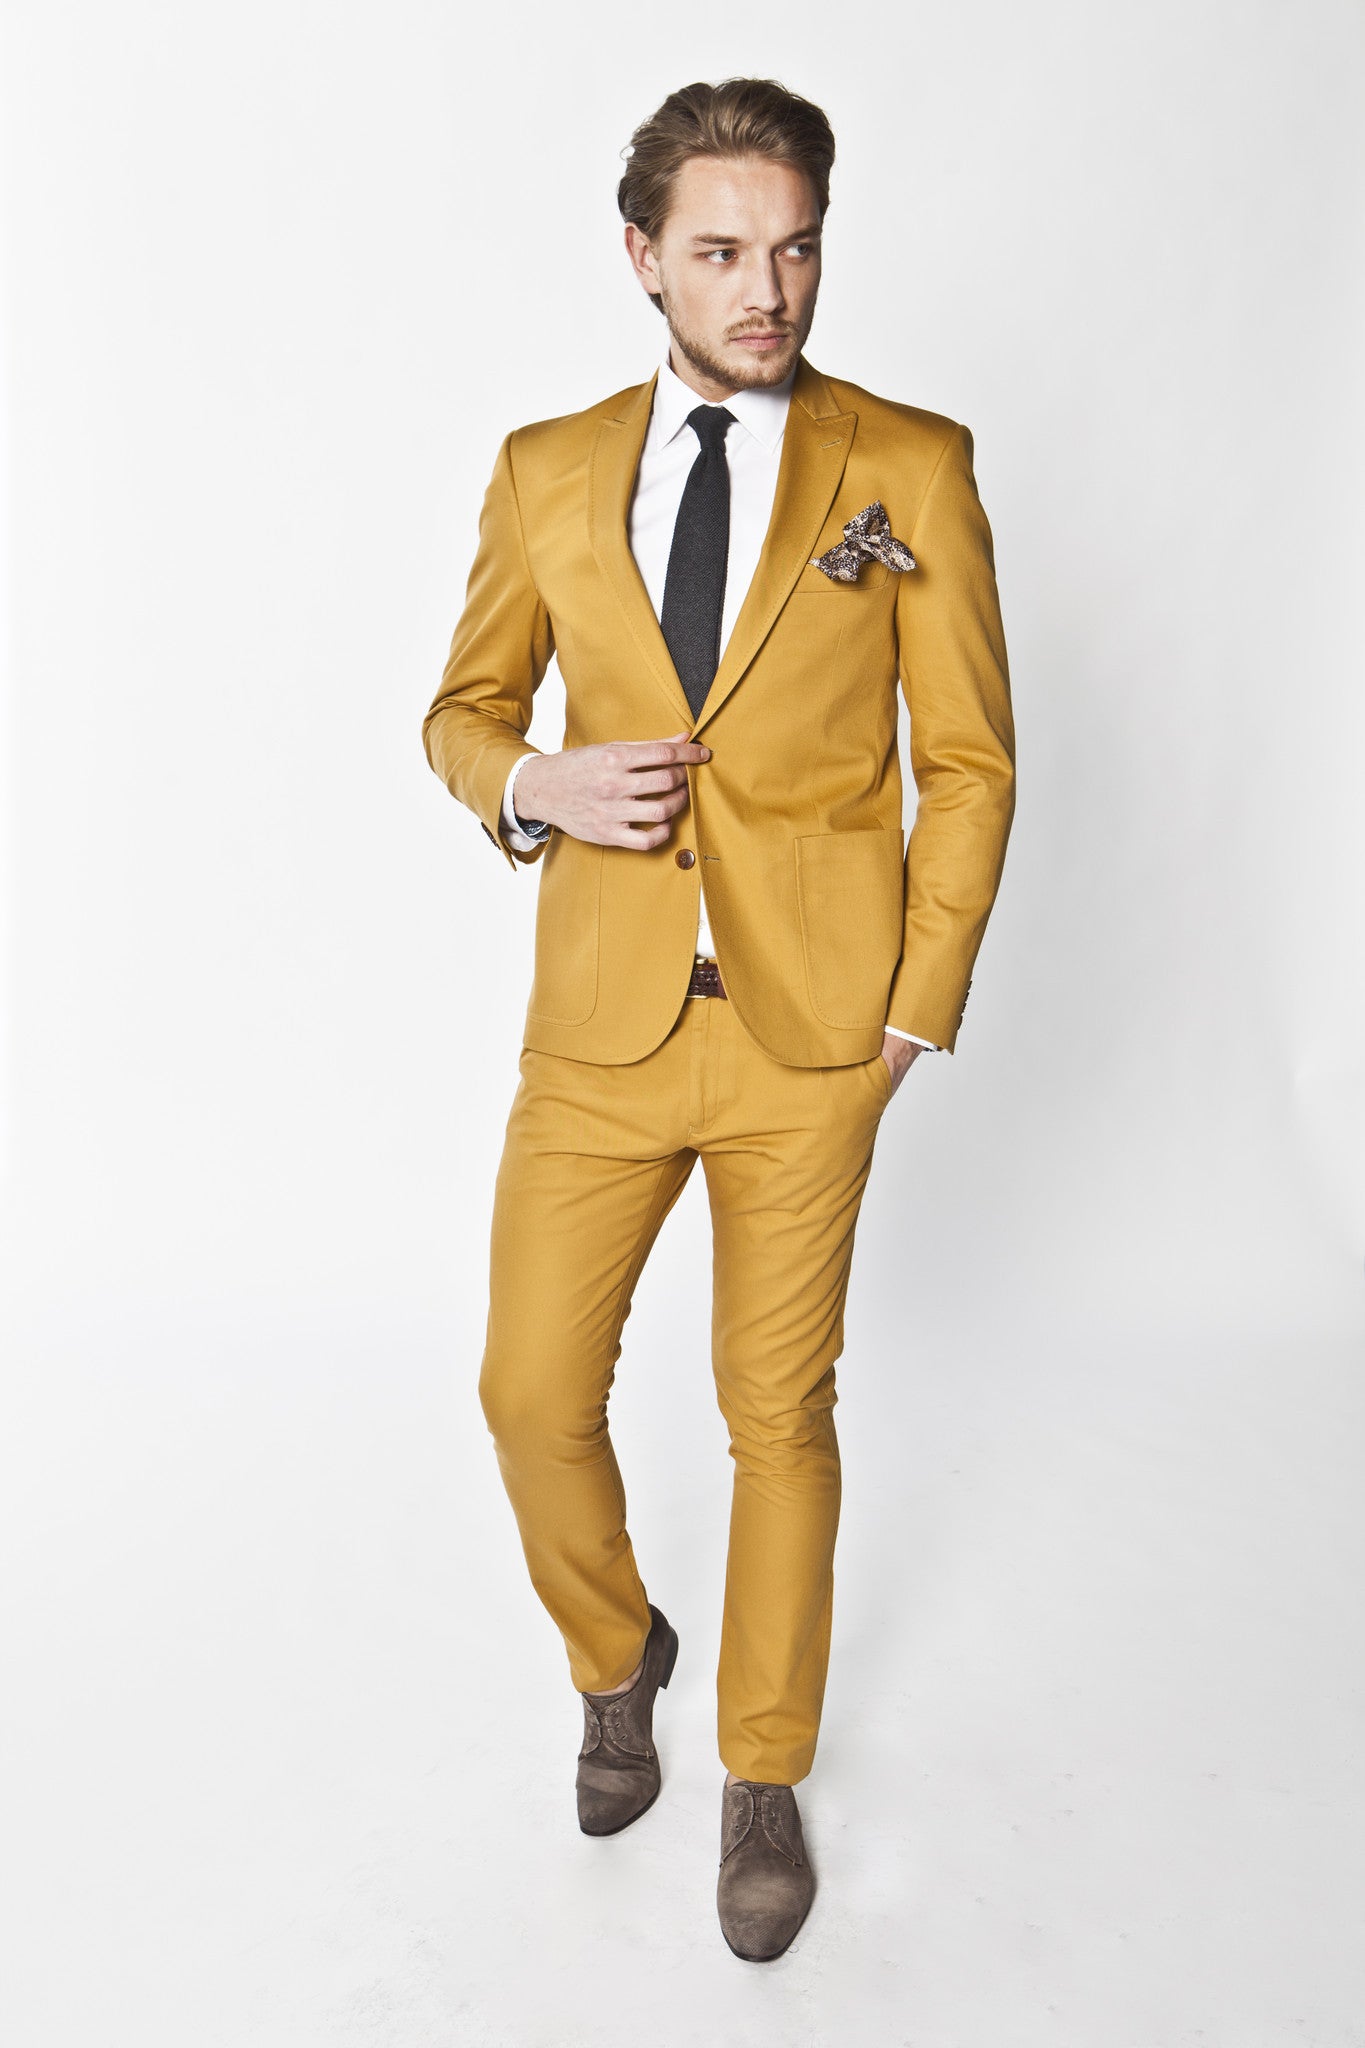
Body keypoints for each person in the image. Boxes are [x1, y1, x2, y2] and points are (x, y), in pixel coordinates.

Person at [421, 75, 1015, 1963]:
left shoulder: (907, 465)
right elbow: (460, 711)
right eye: (722, 250)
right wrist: (535, 785)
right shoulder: (544, 467)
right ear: (642, 258)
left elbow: (969, 762)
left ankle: (762, 1770)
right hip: (598, 1024)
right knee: (529, 1392)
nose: (768, 289)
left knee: (777, 1413)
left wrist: (912, 1014)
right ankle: (619, 1660)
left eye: (796, 247)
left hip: (811, 1034)